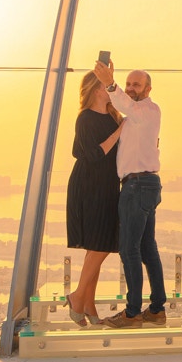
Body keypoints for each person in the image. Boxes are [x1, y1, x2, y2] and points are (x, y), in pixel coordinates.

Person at [93, 60, 168, 329]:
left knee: (130, 250)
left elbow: (126, 105)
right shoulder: (134, 117)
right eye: (128, 84)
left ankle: (133, 313)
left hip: (137, 186)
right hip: (144, 185)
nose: (131, 88)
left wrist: (110, 84)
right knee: (147, 248)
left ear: (148, 89)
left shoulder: (146, 111)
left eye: (136, 84)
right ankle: (157, 309)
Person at [64, 71, 123, 325]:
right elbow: (94, 154)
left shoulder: (112, 115)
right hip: (89, 185)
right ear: (96, 89)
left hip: (108, 184)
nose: (110, 87)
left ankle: (89, 304)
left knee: (99, 246)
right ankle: (78, 297)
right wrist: (121, 130)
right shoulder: (86, 118)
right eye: (105, 84)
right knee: (100, 246)